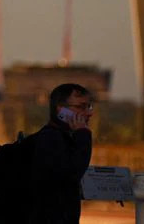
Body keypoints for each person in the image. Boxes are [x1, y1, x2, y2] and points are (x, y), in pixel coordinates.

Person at [27, 83, 94, 224]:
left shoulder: (57, 138)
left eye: (89, 106)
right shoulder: (51, 139)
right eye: (81, 107)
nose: (89, 113)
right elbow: (72, 173)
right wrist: (83, 134)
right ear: (61, 110)